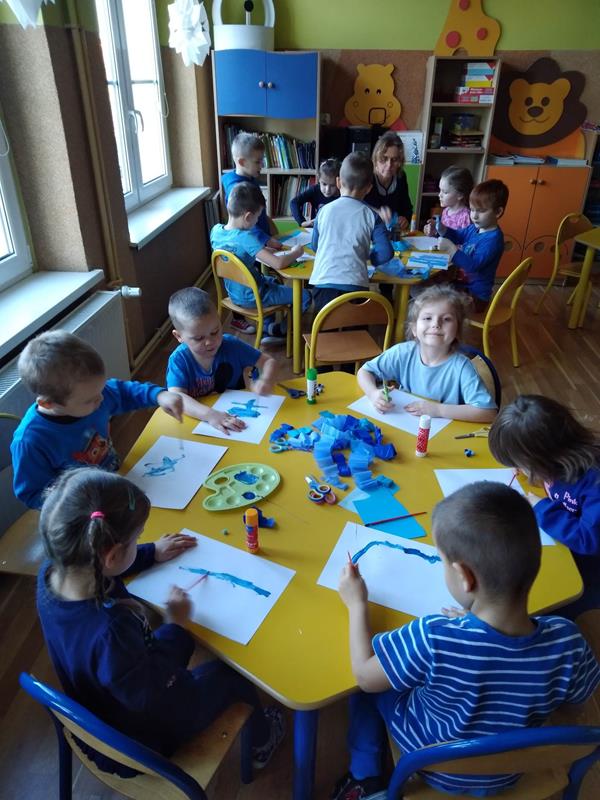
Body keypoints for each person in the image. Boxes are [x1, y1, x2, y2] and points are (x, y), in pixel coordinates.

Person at [331, 481, 600, 800]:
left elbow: (364, 676)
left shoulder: (434, 635)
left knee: (370, 683)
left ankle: (364, 776)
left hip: (433, 762)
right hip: (509, 768)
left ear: (465, 577)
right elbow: (575, 705)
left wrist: (357, 604)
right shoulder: (570, 641)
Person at [36, 469, 285, 777]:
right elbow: (155, 687)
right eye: (138, 538)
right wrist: (175, 626)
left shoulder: (55, 573)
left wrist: (150, 552)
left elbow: (109, 564)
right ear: (111, 555)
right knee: (232, 677)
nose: (141, 541)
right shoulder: (111, 632)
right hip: (141, 742)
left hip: (103, 708)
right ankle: (263, 741)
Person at [10, 331, 183, 509]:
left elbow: (124, 392)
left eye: (100, 390)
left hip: (114, 480)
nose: (101, 399)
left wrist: (159, 395)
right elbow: (32, 493)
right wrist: (74, 501)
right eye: (90, 400)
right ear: (48, 403)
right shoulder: (30, 442)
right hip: (79, 509)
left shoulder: (91, 395)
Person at [489, 394, 600, 619]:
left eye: (521, 463)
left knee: (535, 605)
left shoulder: (594, 483)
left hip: (589, 569)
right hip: (566, 548)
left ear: (545, 457)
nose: (519, 469)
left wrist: (542, 507)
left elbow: (588, 540)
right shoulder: (558, 464)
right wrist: (528, 470)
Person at [357, 285, 497, 422]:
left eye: (447, 319)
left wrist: (438, 410)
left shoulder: (461, 367)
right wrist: (373, 393)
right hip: (405, 423)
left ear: (457, 330)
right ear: (414, 329)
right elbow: (365, 372)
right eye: (427, 318)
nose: (436, 324)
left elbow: (488, 412)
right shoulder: (402, 353)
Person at [167, 287, 277, 433]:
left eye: (215, 332)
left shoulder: (232, 345)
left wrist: (266, 379)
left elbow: (268, 362)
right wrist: (210, 415)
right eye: (199, 338)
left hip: (240, 421)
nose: (210, 342)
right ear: (179, 336)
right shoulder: (179, 360)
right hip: (198, 423)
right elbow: (177, 398)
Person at [211, 182, 310, 342]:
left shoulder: (216, 231)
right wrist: (296, 252)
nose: (257, 221)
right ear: (248, 217)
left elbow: (237, 253)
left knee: (273, 280)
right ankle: (281, 330)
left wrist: (264, 251)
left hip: (234, 293)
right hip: (254, 295)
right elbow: (278, 264)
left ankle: (267, 327)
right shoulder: (246, 237)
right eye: (257, 218)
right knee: (305, 296)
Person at [309, 151, 394, 311]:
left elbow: (315, 247)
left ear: (338, 182)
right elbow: (386, 252)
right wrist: (369, 257)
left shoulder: (323, 211)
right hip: (356, 286)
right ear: (368, 188)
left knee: (324, 326)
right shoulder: (372, 215)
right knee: (355, 325)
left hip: (323, 284)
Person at [221, 131, 283, 334]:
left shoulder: (248, 177)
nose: (262, 165)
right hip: (250, 242)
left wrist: (269, 223)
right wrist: (267, 240)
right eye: (257, 161)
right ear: (241, 161)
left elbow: (258, 212)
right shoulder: (237, 186)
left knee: (260, 277)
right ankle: (246, 319)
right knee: (244, 277)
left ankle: (267, 323)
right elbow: (245, 222)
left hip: (257, 239)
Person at [436, 178, 509, 312]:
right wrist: (443, 229)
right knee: (427, 291)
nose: (474, 216)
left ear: (498, 212)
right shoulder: (475, 228)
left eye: (481, 211)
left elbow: (473, 265)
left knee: (434, 303)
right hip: (461, 287)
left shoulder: (493, 240)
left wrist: (452, 250)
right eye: (472, 210)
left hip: (476, 298)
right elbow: (457, 235)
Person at [363, 131, 413, 231]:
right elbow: (355, 205)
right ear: (376, 158)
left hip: (392, 232)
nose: (389, 165)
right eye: (384, 159)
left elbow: (407, 208)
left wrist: (405, 219)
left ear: (400, 161)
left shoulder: (400, 177)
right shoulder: (366, 176)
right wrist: (376, 212)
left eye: (394, 160)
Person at [290, 158, 340, 227]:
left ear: (339, 182)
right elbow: (294, 202)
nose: (327, 190)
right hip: (316, 229)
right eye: (324, 184)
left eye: (332, 185)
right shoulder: (315, 190)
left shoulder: (342, 194)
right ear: (319, 179)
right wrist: (302, 222)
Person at [424, 166, 473, 233]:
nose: (439, 195)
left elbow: (465, 238)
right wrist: (433, 231)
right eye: (440, 190)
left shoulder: (465, 217)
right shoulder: (446, 211)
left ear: (460, 195)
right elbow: (443, 234)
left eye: (445, 192)